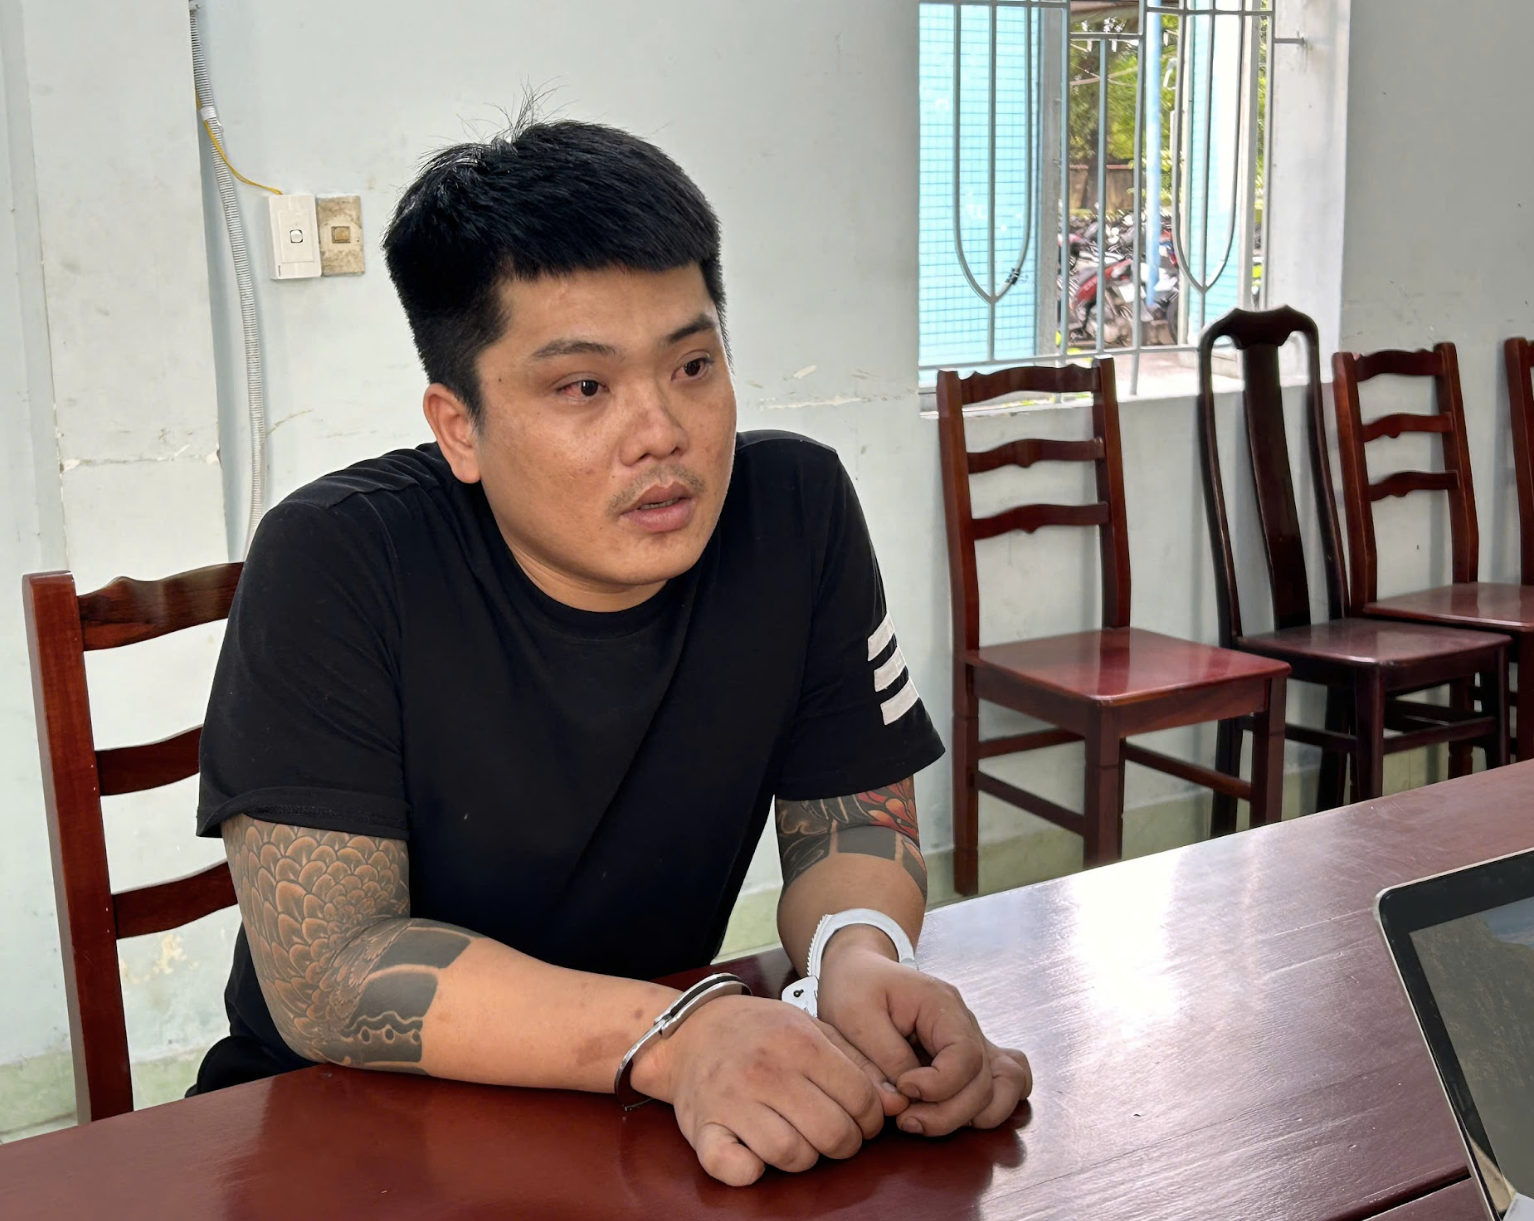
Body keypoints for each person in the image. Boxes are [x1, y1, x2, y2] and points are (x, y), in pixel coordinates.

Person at [192, 115, 1031, 1187]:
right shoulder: (339, 558)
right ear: (458, 426)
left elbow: (851, 824)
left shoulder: (794, 512)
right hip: (348, 1132)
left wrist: (855, 957)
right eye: (583, 387)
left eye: (693, 364)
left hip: (642, 1125)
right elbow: (334, 972)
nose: (662, 431)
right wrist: (679, 1036)